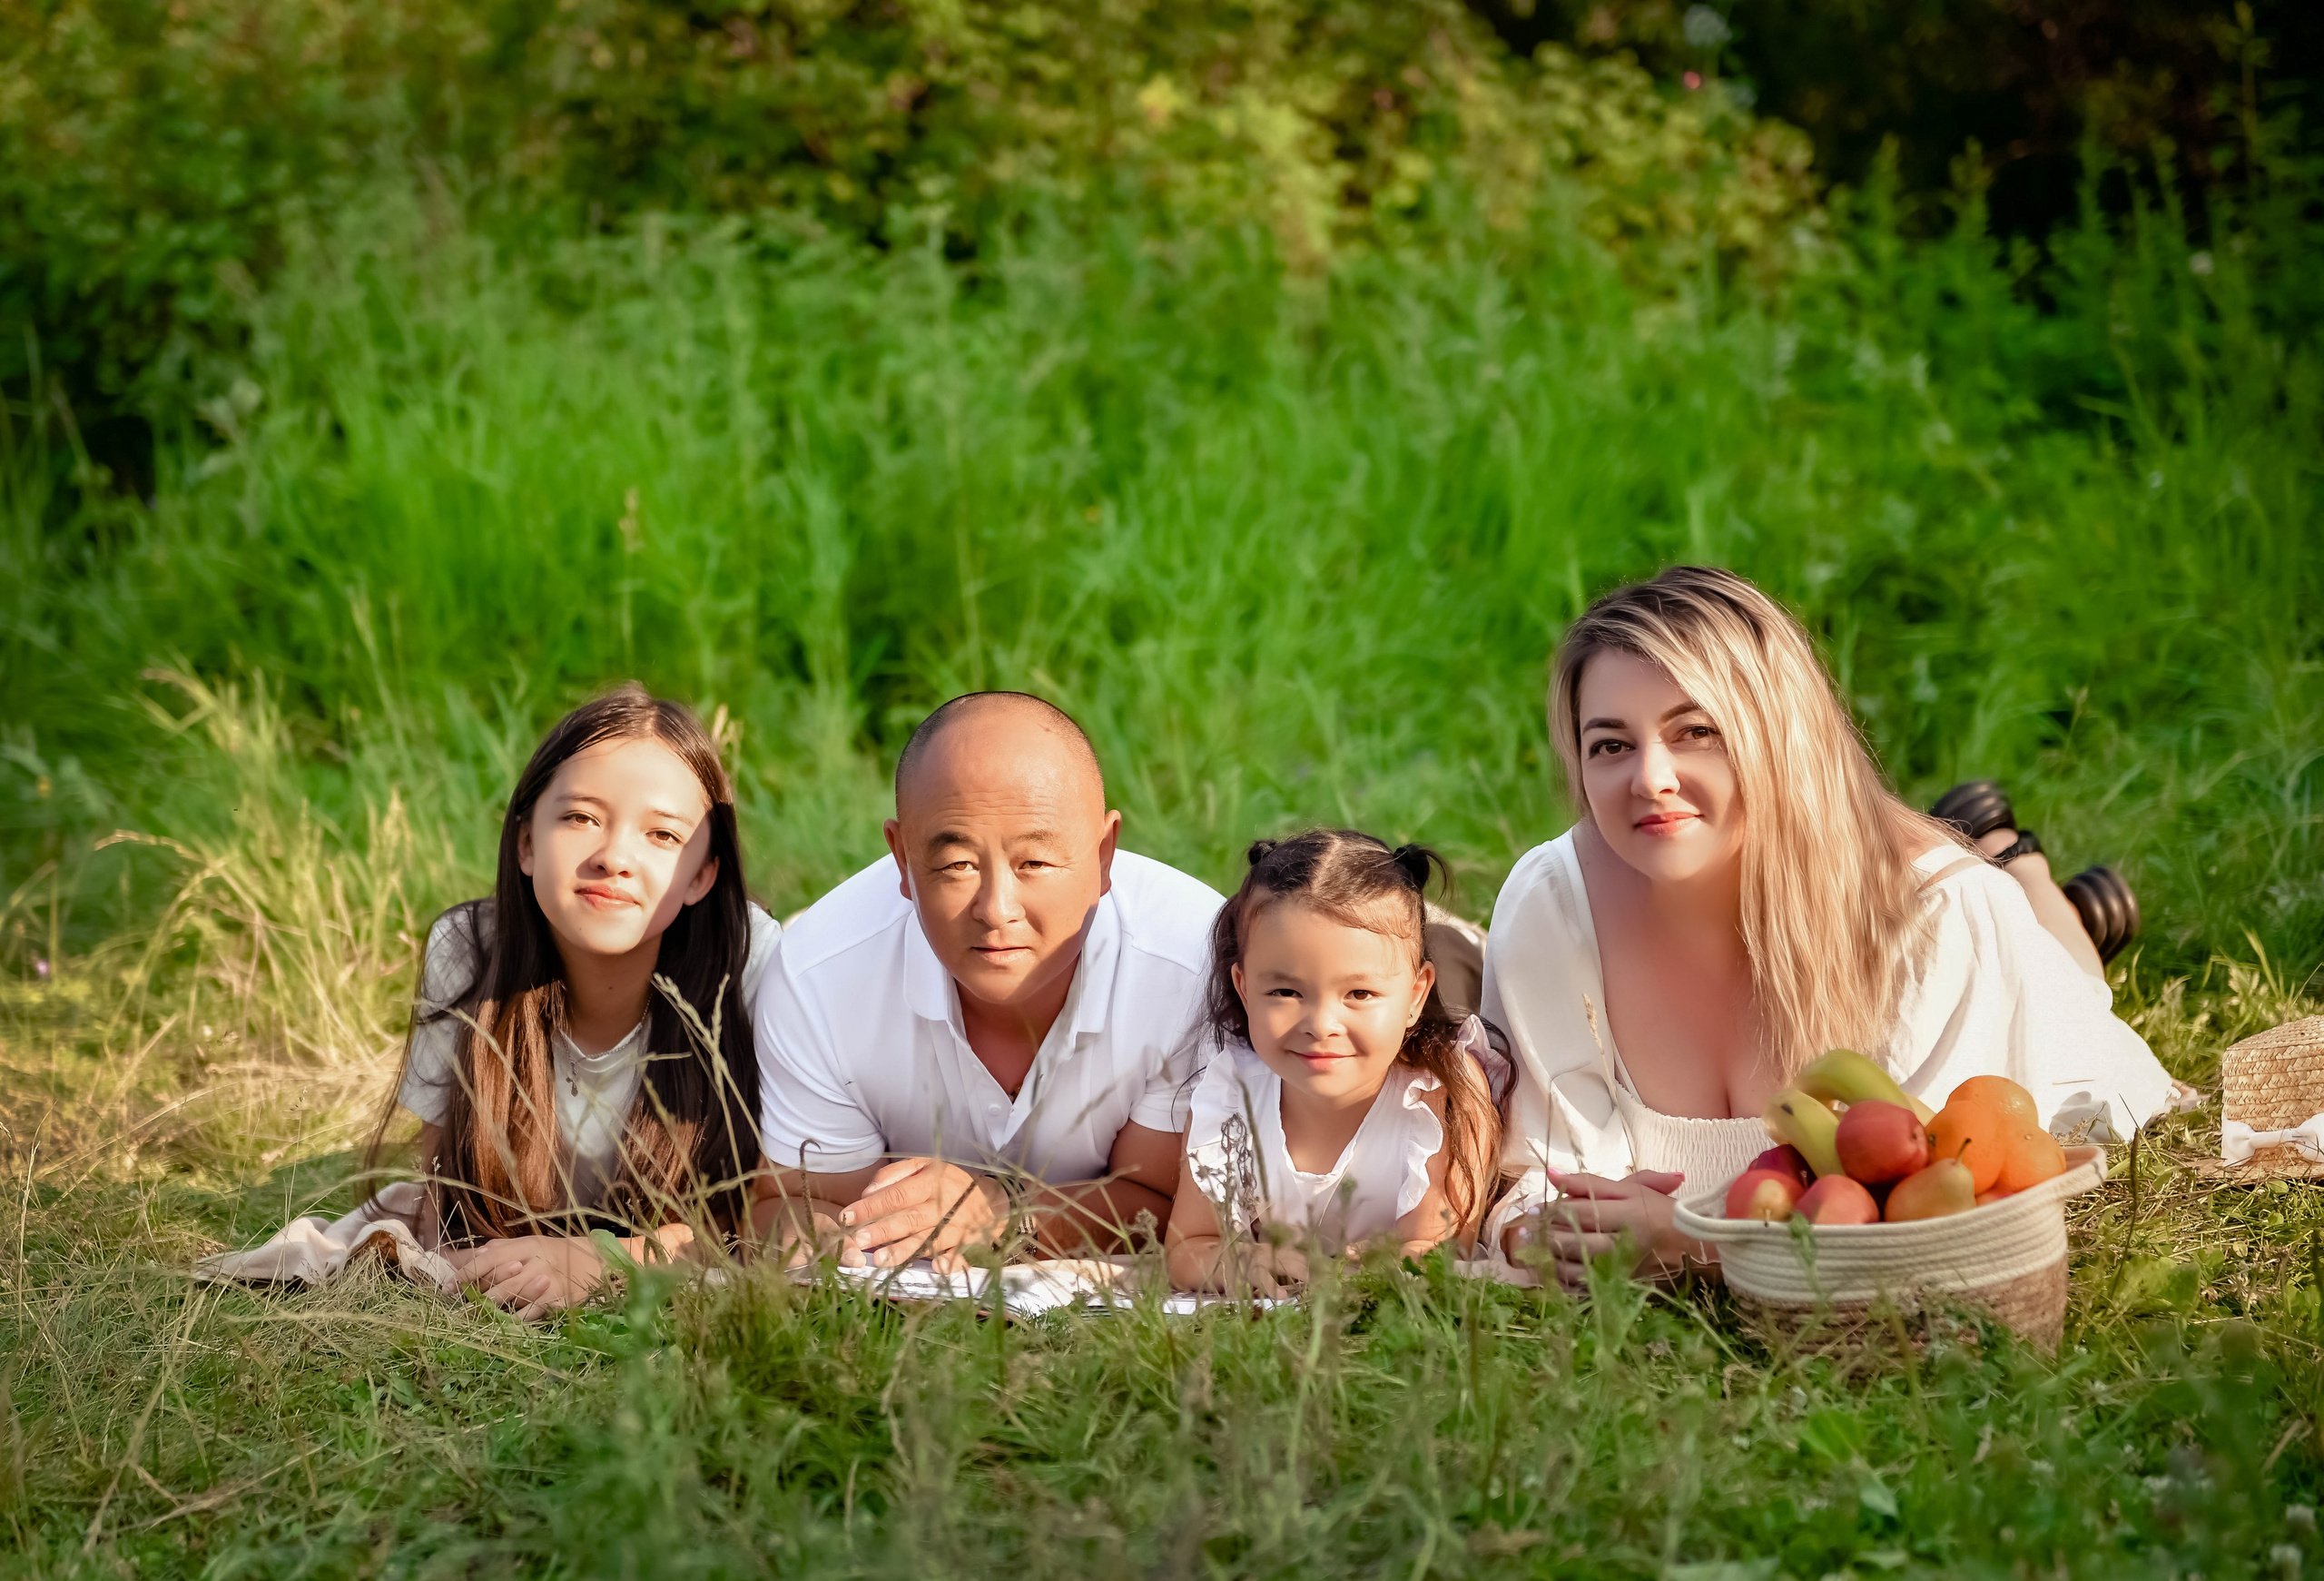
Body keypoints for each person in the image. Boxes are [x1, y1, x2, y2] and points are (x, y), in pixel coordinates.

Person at [1482, 566, 2178, 1290]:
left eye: (1696, 731)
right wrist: (1543, 1232)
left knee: (2069, 986)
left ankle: (2027, 875)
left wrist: (1699, 1245)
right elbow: (1529, 1173)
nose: (1651, 778)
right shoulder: (1551, 905)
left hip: (1990, 941)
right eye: (1611, 745)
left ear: (1780, 735)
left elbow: (1922, 1214)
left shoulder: (1944, 917)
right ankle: (2004, 857)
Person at [751, 692, 1223, 1271]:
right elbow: (801, 1199)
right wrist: (830, 1239)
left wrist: (1004, 1215)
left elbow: (1164, 1203)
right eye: (957, 866)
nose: (997, 909)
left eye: (1036, 864)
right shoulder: (816, 978)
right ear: (901, 860)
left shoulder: (1192, 966)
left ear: (1104, 855)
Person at [371, 685, 780, 1318]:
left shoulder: (752, 962)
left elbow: (769, 1216)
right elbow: (446, 1190)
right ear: (526, 844)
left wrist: (611, 1259)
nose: (614, 856)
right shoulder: (469, 949)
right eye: (580, 817)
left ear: (702, 875)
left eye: (662, 835)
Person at [1167, 832, 1507, 1296]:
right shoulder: (1229, 1094)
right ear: (1244, 989)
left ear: (1415, 994)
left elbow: (1440, 1248)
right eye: (1286, 992)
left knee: (1468, 964)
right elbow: (1189, 1246)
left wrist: (1379, 1269)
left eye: (1359, 994)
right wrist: (1237, 1259)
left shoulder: (1444, 1090)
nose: (1322, 1024)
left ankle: (1462, 941)